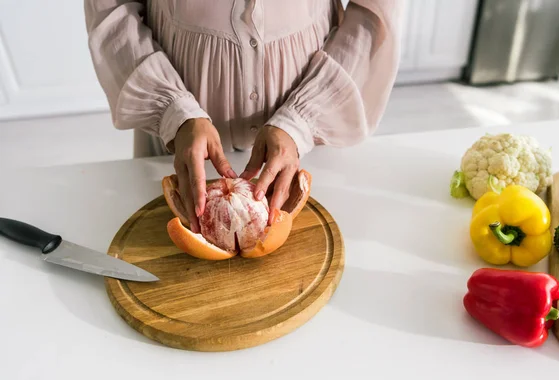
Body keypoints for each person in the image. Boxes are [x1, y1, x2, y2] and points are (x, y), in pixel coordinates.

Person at [84, 0, 401, 232]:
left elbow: (376, 10)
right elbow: (112, 8)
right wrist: (173, 111)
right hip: (177, 145)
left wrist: (302, 119)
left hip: (308, 140)